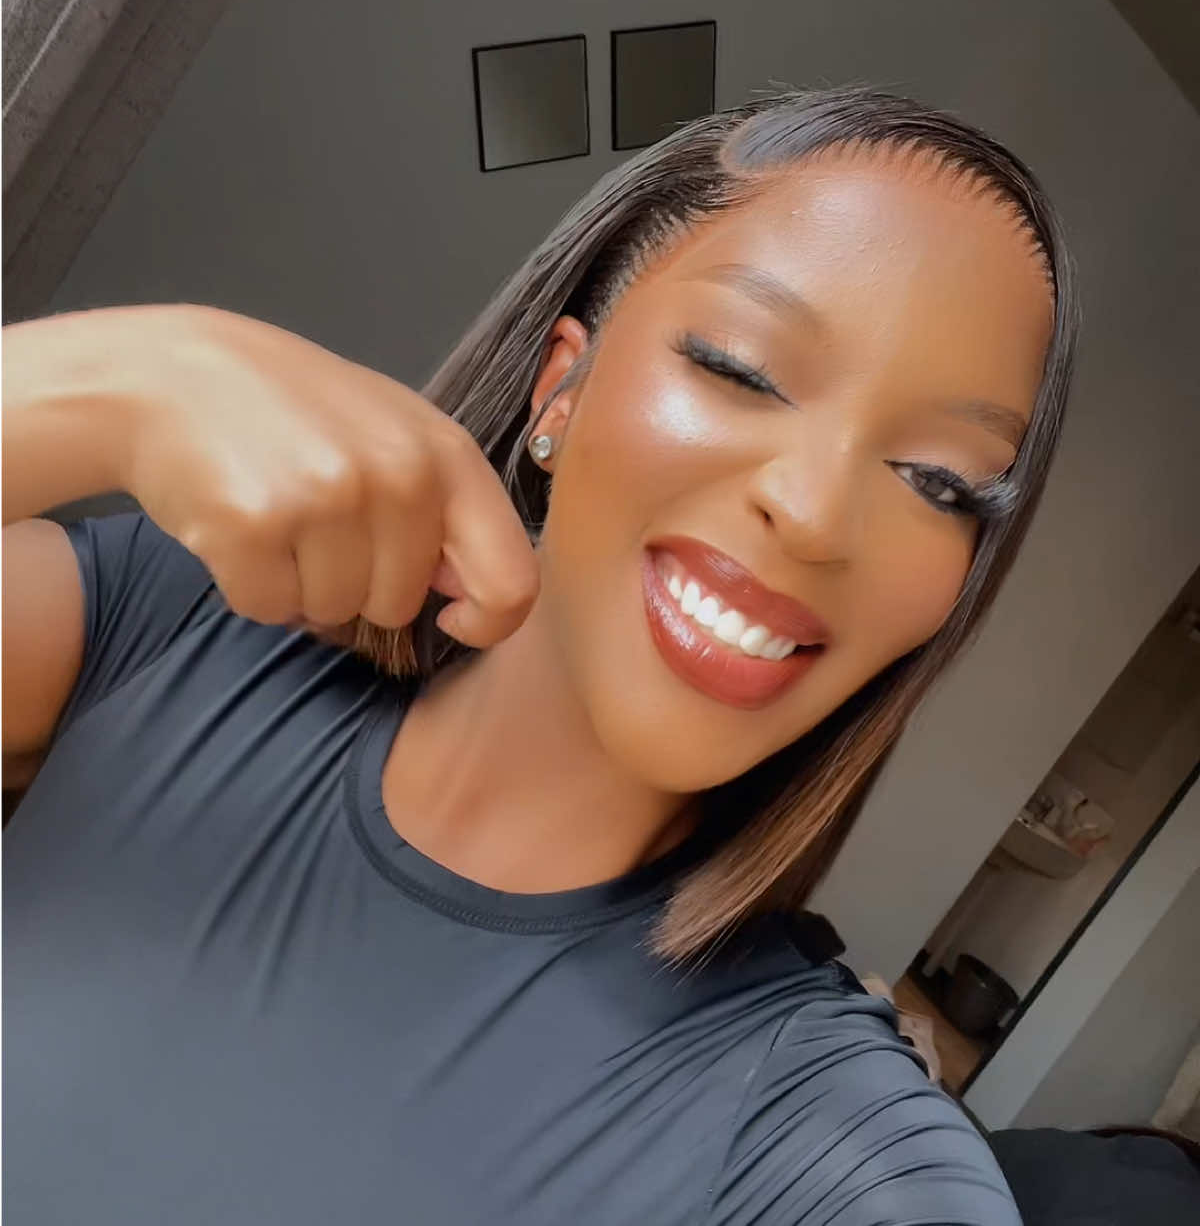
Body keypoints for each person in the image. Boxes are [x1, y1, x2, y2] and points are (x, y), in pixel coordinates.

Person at [3, 85, 1076, 1224]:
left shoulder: (811, 1133)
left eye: (939, 483)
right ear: (561, 386)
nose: (814, 517)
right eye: (740, 368)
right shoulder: (179, 627)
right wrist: (128, 381)